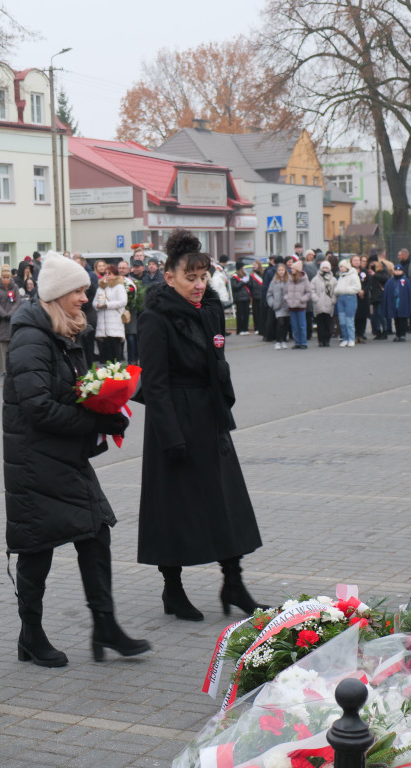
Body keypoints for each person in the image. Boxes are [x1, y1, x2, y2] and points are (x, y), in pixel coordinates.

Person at [3, 252, 149, 666]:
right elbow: (38, 408)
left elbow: (73, 391)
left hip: (62, 456)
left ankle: (105, 626)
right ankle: (31, 634)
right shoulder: (31, 337)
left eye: (86, 290)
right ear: (56, 295)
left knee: (95, 531)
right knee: (38, 547)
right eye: (79, 291)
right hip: (35, 461)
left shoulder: (63, 333)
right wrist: (94, 420)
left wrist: (107, 409)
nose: (85, 297)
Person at [136, 229, 264, 622]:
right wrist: (171, 437)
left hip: (208, 416)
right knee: (172, 507)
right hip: (174, 420)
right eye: (190, 277)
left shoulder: (208, 310)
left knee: (226, 501)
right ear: (169, 277)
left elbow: (217, 361)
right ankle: (172, 589)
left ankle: (234, 582)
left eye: (203, 276)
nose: (198, 284)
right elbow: (154, 384)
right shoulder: (155, 318)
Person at [94, 264, 127, 362]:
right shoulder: (101, 287)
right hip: (102, 324)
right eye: (105, 273)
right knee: (105, 353)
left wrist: (107, 305)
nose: (107, 275)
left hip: (114, 322)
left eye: (109, 273)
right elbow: (94, 302)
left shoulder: (119, 286)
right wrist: (97, 305)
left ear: (115, 275)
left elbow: (123, 301)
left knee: (115, 351)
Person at [0, 264, 21, 375]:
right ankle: (3, 369)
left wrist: (10, 313)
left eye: (8, 277)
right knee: (2, 347)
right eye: (4, 277)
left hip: (12, 320)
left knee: (12, 346)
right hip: (1, 320)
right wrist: (4, 314)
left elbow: (18, 301)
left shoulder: (15, 288)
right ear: (1, 277)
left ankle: (12, 368)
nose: (6, 280)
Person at [381, 262, 411, 342]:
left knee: (403, 319)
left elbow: (410, 293)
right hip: (394, 302)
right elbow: (387, 293)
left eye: (399, 271)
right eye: (396, 270)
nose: (397, 272)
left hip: (403, 303)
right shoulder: (390, 281)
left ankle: (402, 334)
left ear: (402, 271)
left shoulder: (406, 281)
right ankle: (398, 334)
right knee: (396, 319)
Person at [310, 261, 337, 347]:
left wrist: (333, 300)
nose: (325, 269)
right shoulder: (315, 279)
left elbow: (336, 291)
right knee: (320, 324)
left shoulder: (333, 279)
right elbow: (311, 290)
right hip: (319, 304)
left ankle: (327, 340)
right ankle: (321, 340)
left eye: (327, 268)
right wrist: (315, 298)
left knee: (328, 323)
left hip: (329, 304)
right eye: (323, 268)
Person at [335, 259, 361, 347]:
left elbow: (357, 288)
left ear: (346, 267)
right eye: (339, 267)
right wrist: (337, 291)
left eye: (341, 266)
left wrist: (346, 290)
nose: (340, 268)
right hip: (341, 299)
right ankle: (345, 338)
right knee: (342, 321)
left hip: (350, 298)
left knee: (349, 320)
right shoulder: (341, 276)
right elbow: (338, 287)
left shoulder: (353, 276)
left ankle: (351, 338)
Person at [266, 262, 290, 350]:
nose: (281, 272)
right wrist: (272, 303)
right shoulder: (274, 281)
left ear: (285, 270)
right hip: (278, 306)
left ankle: (283, 340)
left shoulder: (289, 280)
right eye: (279, 270)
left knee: (286, 323)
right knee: (280, 322)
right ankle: (278, 341)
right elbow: (269, 294)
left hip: (287, 305)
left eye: (282, 270)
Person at [231, 263, 251, 336]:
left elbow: (249, 285)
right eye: (243, 267)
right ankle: (239, 330)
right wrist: (242, 282)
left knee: (246, 314)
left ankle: (245, 329)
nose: (244, 268)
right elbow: (235, 287)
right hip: (239, 298)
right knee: (240, 315)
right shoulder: (234, 277)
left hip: (246, 297)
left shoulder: (245, 275)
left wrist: (247, 282)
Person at [249, 260, 266, 334]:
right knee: (255, 313)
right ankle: (256, 328)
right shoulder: (252, 275)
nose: (254, 266)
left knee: (262, 313)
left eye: (256, 264)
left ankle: (262, 327)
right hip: (255, 296)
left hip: (262, 296)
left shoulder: (263, 273)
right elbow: (250, 285)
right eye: (254, 265)